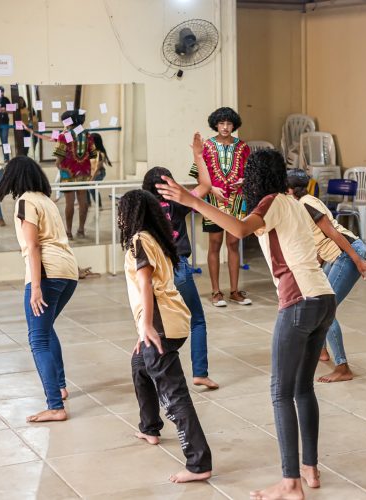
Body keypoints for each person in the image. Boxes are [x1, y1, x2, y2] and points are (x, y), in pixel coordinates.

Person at [157, 149, 336, 500]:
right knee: (302, 389)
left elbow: (239, 229)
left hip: (299, 301)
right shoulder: (290, 202)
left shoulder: (271, 202)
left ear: (256, 177)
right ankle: (310, 470)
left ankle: (290, 484)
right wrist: (226, 195)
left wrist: (191, 201)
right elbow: (245, 220)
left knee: (280, 392)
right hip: (323, 298)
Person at [118, 189, 213, 484]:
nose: (119, 217)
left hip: (161, 323)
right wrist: (143, 330)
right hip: (173, 319)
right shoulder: (155, 237)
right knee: (139, 364)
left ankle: (198, 463)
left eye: (122, 212)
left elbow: (146, 283)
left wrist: (147, 325)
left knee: (174, 396)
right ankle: (149, 427)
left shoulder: (139, 240)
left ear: (132, 214)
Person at [0, 157, 79, 423]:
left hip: (48, 272)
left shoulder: (25, 202)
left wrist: (36, 286)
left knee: (37, 339)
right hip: (68, 271)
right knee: (46, 329)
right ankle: (60, 388)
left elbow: (34, 246)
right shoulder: (46, 200)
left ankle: (55, 406)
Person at [286, 169, 366, 383]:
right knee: (316, 302)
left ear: (291, 190)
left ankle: (342, 367)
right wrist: (316, 270)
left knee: (325, 310)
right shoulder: (304, 203)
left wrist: (358, 260)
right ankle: (321, 351)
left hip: (346, 254)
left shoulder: (306, 204)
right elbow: (320, 240)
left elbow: (332, 232)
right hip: (337, 255)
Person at [142, 132, 219, 390]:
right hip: (178, 268)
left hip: (151, 272)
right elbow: (205, 185)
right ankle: (200, 373)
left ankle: (154, 374)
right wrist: (198, 155)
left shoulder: (141, 210)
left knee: (153, 324)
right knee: (196, 320)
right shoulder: (178, 204)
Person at [189, 107, 252, 307]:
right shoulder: (206, 146)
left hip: (236, 201)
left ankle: (234, 291)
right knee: (214, 244)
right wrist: (211, 188)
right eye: (221, 123)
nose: (225, 127)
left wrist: (243, 181)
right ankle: (216, 292)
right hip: (213, 202)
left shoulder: (243, 147)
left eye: (229, 123)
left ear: (234, 125)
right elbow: (198, 174)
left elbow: (250, 173)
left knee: (233, 244)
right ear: (215, 124)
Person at [53, 111, 96, 239]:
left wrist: (58, 165)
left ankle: (68, 232)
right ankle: (81, 230)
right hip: (84, 172)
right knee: (83, 201)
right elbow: (93, 154)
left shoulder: (64, 136)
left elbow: (59, 157)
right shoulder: (87, 135)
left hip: (68, 172)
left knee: (69, 203)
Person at [87, 133, 110, 209]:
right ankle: (87, 204)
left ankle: (99, 206)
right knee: (85, 187)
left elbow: (97, 168)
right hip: (91, 173)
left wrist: (92, 179)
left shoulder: (100, 154)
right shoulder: (90, 152)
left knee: (92, 188)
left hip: (99, 173)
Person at [0, 86, 11, 162]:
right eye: (0, 91)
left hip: (5, 122)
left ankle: (7, 158)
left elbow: (11, 110)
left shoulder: (6, 99)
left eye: (2, 91)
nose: (1, 93)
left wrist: (4, 110)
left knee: (5, 141)